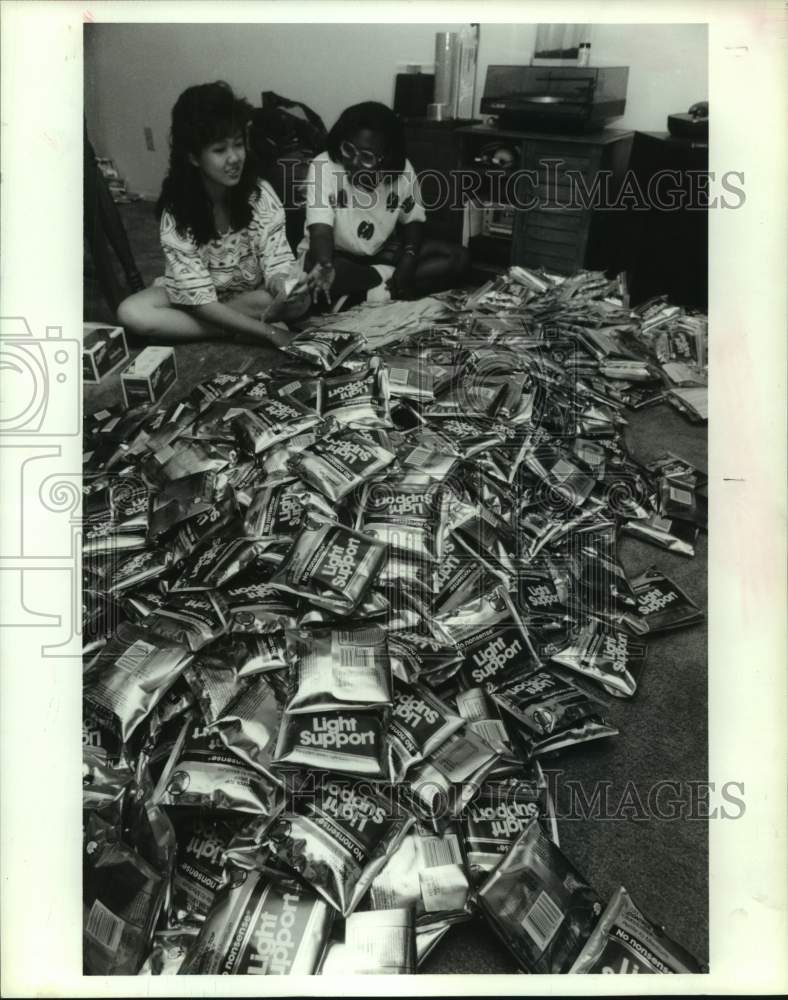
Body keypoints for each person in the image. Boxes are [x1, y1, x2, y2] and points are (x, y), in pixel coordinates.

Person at [117, 81, 310, 345]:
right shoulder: (178, 211)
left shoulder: (260, 194)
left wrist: (282, 283)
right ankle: (238, 326)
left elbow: (277, 262)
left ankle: (206, 327)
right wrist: (271, 332)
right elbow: (198, 301)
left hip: (247, 295)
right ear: (194, 157)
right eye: (220, 150)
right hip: (194, 300)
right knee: (132, 313)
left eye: (239, 145)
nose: (234, 158)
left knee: (300, 302)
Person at [299, 101, 469, 306]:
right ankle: (384, 286)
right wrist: (324, 265)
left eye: (367, 157)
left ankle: (362, 295)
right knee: (323, 271)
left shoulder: (403, 170)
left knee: (458, 257)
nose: (354, 162)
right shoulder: (323, 165)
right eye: (348, 150)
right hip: (331, 254)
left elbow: (413, 220)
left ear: (387, 157)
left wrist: (408, 259)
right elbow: (320, 231)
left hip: (379, 253)